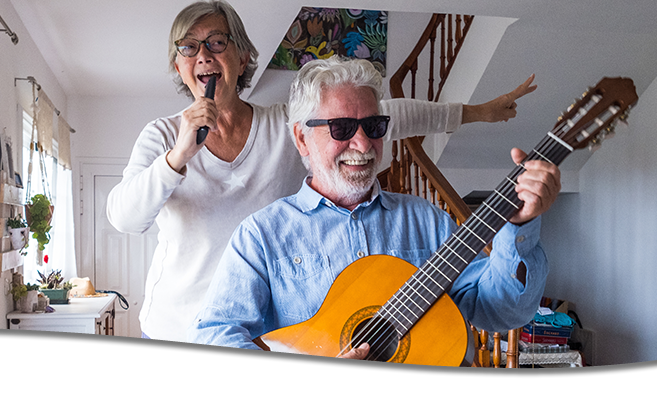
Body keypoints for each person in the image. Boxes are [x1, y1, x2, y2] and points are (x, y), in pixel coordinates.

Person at [105, 0, 538, 342]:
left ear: (241, 55)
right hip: (180, 323)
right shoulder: (162, 136)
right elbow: (125, 218)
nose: (203, 55)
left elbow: (389, 114)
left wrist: (477, 111)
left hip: (275, 323)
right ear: (179, 64)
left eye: (217, 42)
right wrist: (179, 155)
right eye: (189, 47)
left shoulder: (281, 124)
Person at [187, 56, 560, 359]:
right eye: (342, 128)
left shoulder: (427, 221)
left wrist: (519, 228)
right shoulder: (263, 235)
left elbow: (502, 311)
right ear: (302, 137)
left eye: (374, 126)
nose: (364, 145)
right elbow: (214, 334)